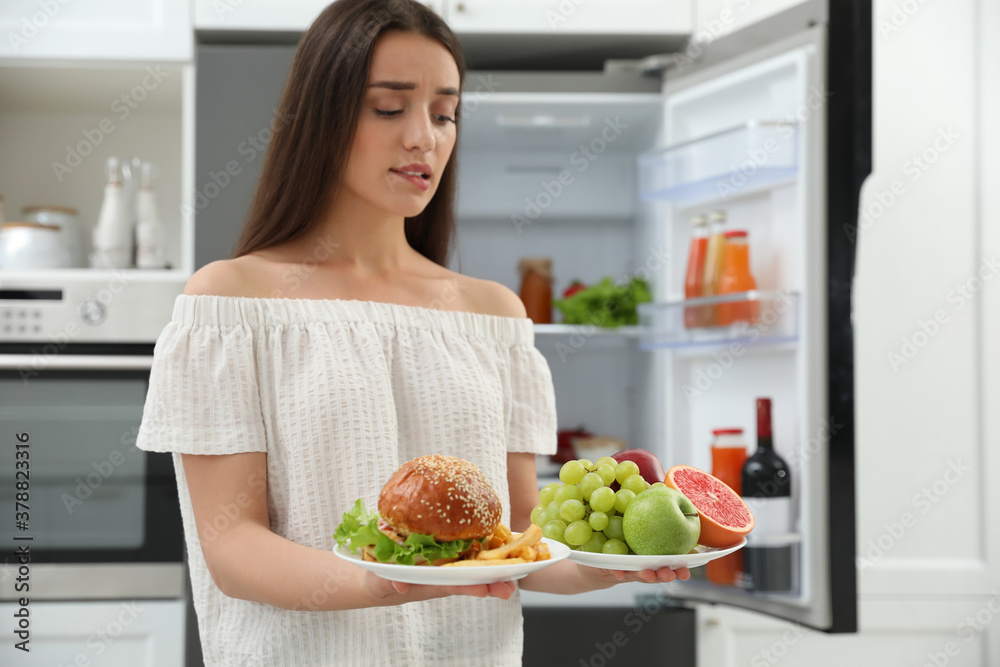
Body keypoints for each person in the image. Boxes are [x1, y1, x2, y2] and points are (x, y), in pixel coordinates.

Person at [135, 0, 690, 664]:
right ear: (322, 117)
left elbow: (518, 542)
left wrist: (605, 566)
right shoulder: (233, 302)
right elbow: (232, 547)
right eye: (390, 108)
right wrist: (383, 580)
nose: (424, 137)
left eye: (445, 112)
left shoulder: (493, 316)